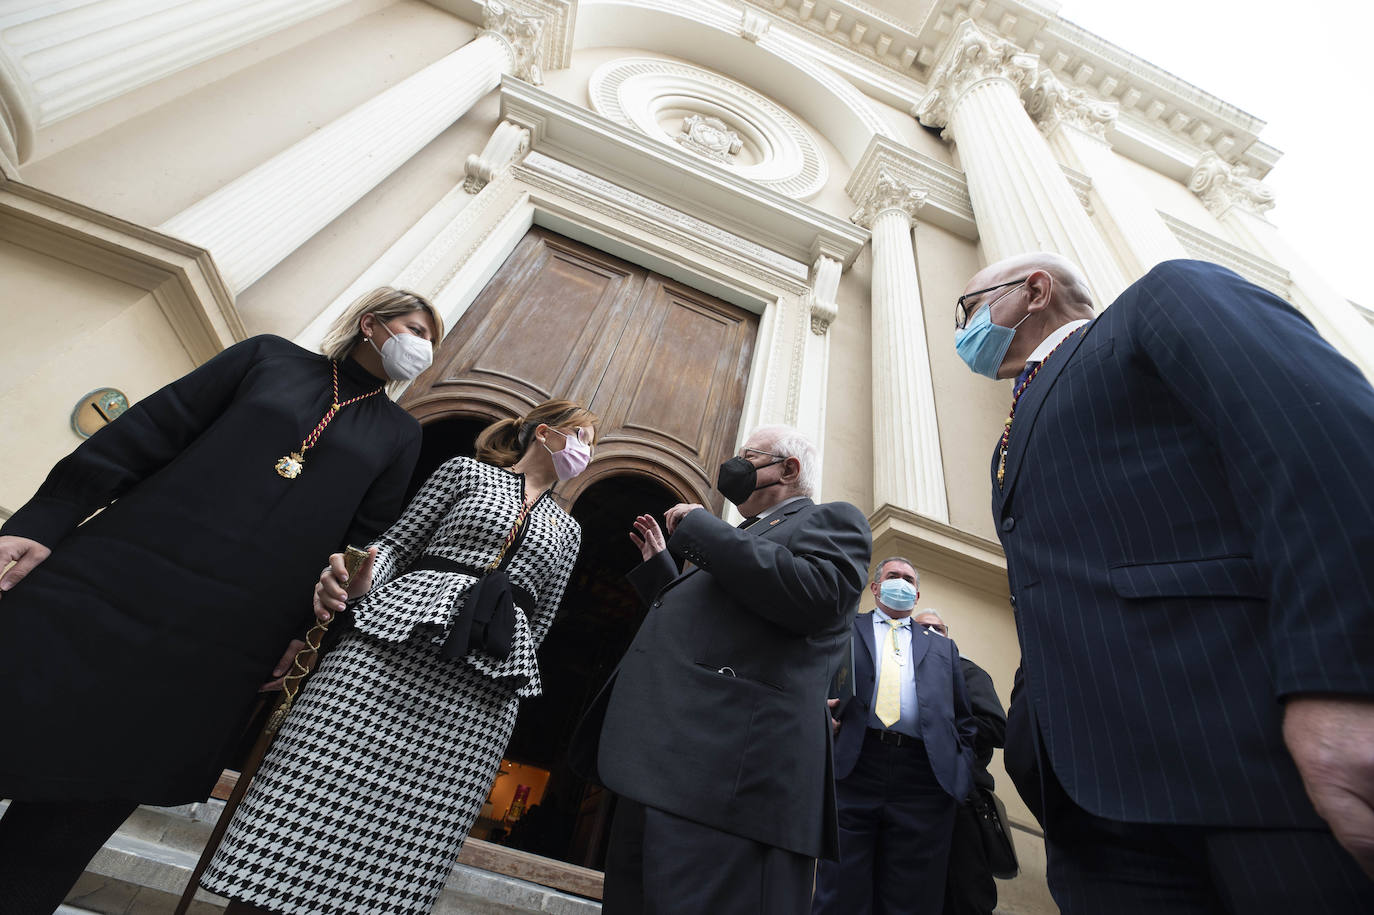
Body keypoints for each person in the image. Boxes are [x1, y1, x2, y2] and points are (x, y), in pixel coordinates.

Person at [952, 253, 1374, 911]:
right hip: (1098, 817)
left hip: (1254, 768)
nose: (963, 334)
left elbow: (1323, 442)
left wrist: (1344, 677)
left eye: (968, 310)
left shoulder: (1159, 304)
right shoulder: (1006, 443)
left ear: (1035, 290)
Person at [0, 287, 441, 913]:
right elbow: (147, 432)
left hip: (224, 638)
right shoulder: (268, 358)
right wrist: (44, 519)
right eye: (415, 328)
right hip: (111, 582)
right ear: (372, 324)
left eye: (431, 338)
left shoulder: (400, 433)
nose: (422, 346)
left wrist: (307, 637)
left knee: (84, 805)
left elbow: (361, 546)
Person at [200, 399, 595, 915]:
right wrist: (361, 573)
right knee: (316, 791)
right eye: (581, 436)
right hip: (392, 641)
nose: (587, 451)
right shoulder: (464, 472)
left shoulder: (570, 530)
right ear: (545, 433)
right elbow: (396, 544)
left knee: (407, 832)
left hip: (478, 693)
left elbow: (540, 623)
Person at [568, 425, 872, 915]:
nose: (733, 464)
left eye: (747, 456)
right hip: (668, 768)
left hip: (730, 782)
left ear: (788, 469)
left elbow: (818, 598)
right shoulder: (745, 539)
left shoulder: (832, 519)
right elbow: (724, 631)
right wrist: (666, 578)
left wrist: (704, 530)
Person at [813, 560, 976, 915]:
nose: (900, 584)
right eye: (892, 577)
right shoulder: (842, 628)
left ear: (916, 595)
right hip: (854, 766)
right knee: (841, 887)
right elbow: (809, 682)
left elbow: (965, 719)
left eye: (908, 580)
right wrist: (816, 714)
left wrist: (959, 770)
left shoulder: (942, 648)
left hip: (923, 778)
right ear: (875, 588)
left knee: (912, 895)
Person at [927, 613, 1007, 915]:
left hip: (962, 804)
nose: (932, 632)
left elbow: (997, 728)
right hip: (910, 801)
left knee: (966, 896)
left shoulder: (966, 672)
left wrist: (936, 725)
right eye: (923, 628)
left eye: (939, 628)